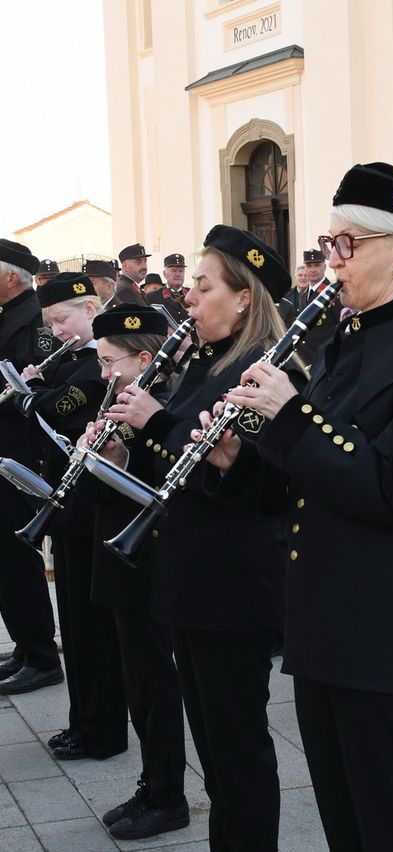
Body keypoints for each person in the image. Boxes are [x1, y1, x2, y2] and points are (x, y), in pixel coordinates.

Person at [201, 163, 393, 851]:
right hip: (326, 629)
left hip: (388, 634)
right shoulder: (341, 342)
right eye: (328, 244)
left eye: (346, 244)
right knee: (344, 825)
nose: (330, 261)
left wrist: (292, 416)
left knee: (386, 828)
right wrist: (236, 462)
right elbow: (304, 483)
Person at [101, 225, 291, 851]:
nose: (190, 298)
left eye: (204, 287)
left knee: (236, 749)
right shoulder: (207, 361)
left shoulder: (259, 371)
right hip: (193, 579)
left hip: (231, 587)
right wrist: (126, 446)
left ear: (244, 299)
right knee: (215, 745)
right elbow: (178, 461)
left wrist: (154, 424)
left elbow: (249, 482)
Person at [82, 304, 189, 841]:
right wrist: (94, 457)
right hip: (119, 558)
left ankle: (168, 793)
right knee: (137, 682)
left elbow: (169, 481)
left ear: (145, 358)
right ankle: (153, 782)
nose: (102, 373)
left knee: (154, 681)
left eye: (109, 362)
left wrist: (122, 456)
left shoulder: (162, 404)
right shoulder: (118, 401)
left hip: (148, 560)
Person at [15, 273, 129, 760]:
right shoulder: (77, 364)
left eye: (62, 320)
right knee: (76, 629)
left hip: (89, 513)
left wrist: (30, 394)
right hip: (67, 510)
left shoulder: (95, 368)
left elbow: (58, 409)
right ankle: (81, 721)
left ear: (89, 308)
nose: (57, 332)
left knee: (93, 630)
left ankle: (101, 729)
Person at [0, 239, 63, 696]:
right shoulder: (10, 315)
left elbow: (31, 384)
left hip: (20, 453)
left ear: (10, 277)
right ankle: (25, 645)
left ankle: (41, 656)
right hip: (5, 449)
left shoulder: (35, 320)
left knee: (17, 556)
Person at [296, 248, 342, 365]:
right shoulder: (302, 294)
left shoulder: (332, 293)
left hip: (323, 358)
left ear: (324, 267)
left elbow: (341, 325)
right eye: (309, 266)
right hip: (304, 358)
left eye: (317, 265)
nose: (312, 270)